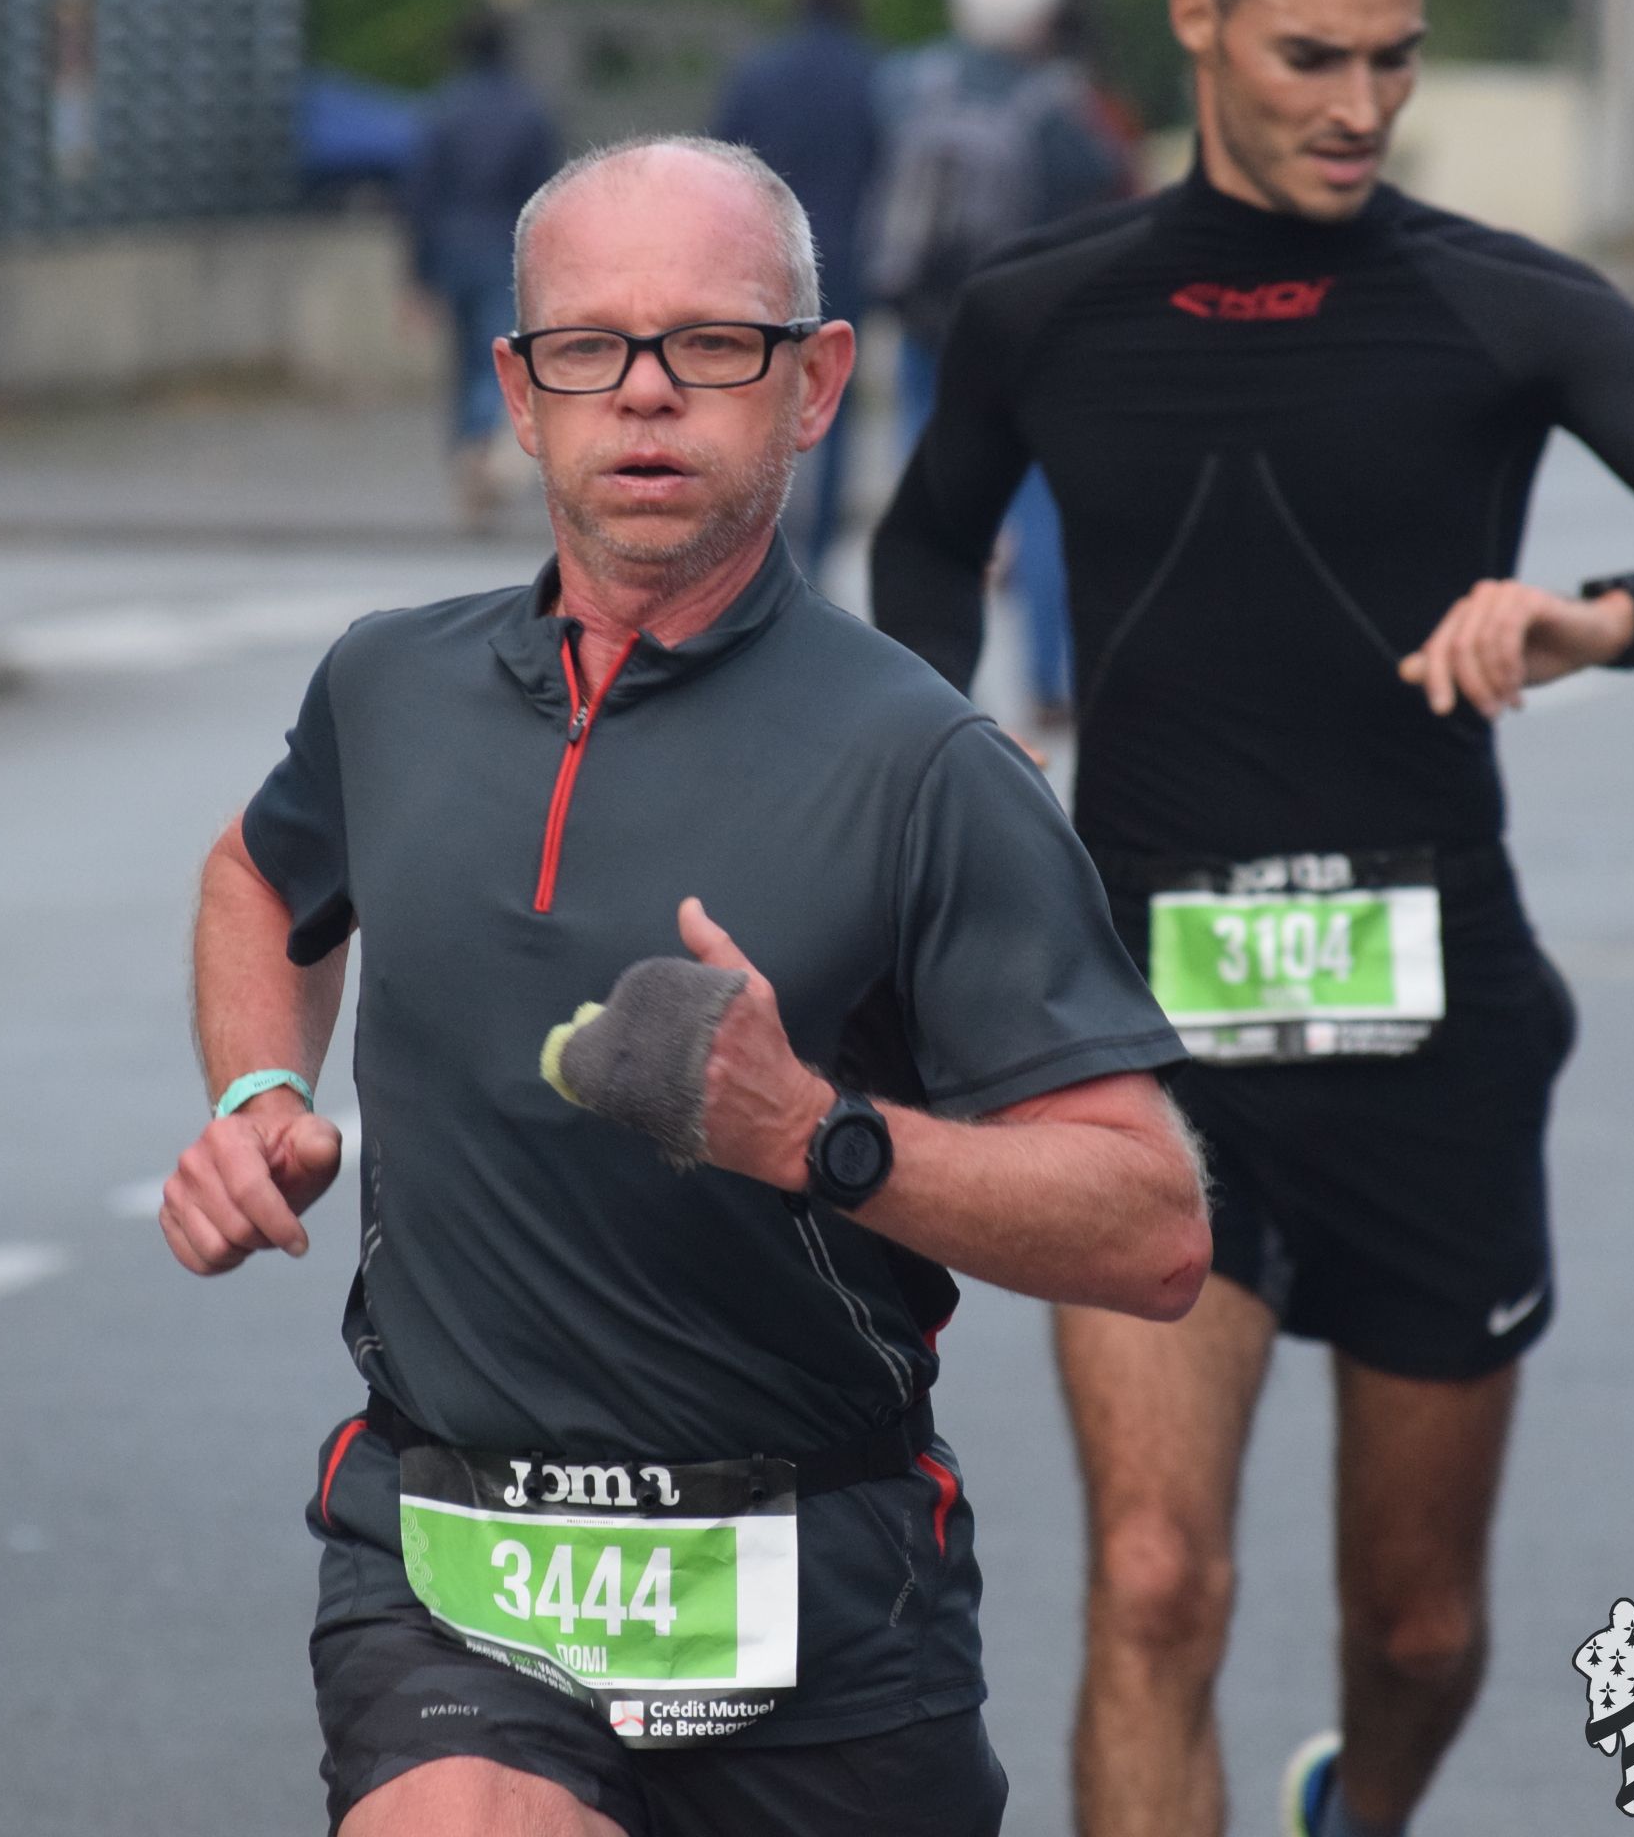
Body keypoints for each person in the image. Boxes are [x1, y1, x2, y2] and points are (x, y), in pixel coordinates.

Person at [867, 0, 1634, 1836]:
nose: (1359, 105)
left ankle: (1360, 1805)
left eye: (1392, 59)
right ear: (1196, 24)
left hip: (1433, 1040)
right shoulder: (1048, 307)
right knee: (1155, 1580)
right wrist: (947, 774)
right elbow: (917, 547)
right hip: (1144, 1039)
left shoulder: (1503, 305)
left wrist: (1597, 620)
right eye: (1310, 57)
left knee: (1417, 1627)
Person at [166, 135, 1210, 1837]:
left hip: (823, 1602)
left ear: (816, 383)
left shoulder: (927, 766)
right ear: (521, 394)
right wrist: (257, 1092)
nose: (645, 393)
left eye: (712, 344)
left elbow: (1151, 1229)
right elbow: (259, 876)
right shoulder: (388, 688)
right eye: (589, 347)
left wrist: (817, 1136)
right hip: (462, 1566)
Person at [870, 0, 1125, 727]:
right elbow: (1098, 192)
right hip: (1026, 326)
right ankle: (1049, 680)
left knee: (927, 495)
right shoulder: (1056, 102)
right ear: (1040, 14)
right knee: (1044, 499)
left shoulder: (908, 83)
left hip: (925, 318)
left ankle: (926, 680)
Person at [711, 0, 883, 573]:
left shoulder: (758, 73)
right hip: (847, 258)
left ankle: (761, 550)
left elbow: (721, 168)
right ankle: (817, 555)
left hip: (764, 260)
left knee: (754, 397)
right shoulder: (875, 74)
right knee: (831, 402)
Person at [404, 5, 560, 532]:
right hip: (506, 248)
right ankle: (482, 446)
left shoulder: (442, 110)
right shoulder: (529, 110)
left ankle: (465, 453)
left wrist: (417, 274)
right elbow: (545, 194)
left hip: (452, 250)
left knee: (462, 358)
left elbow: (420, 196)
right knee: (497, 356)